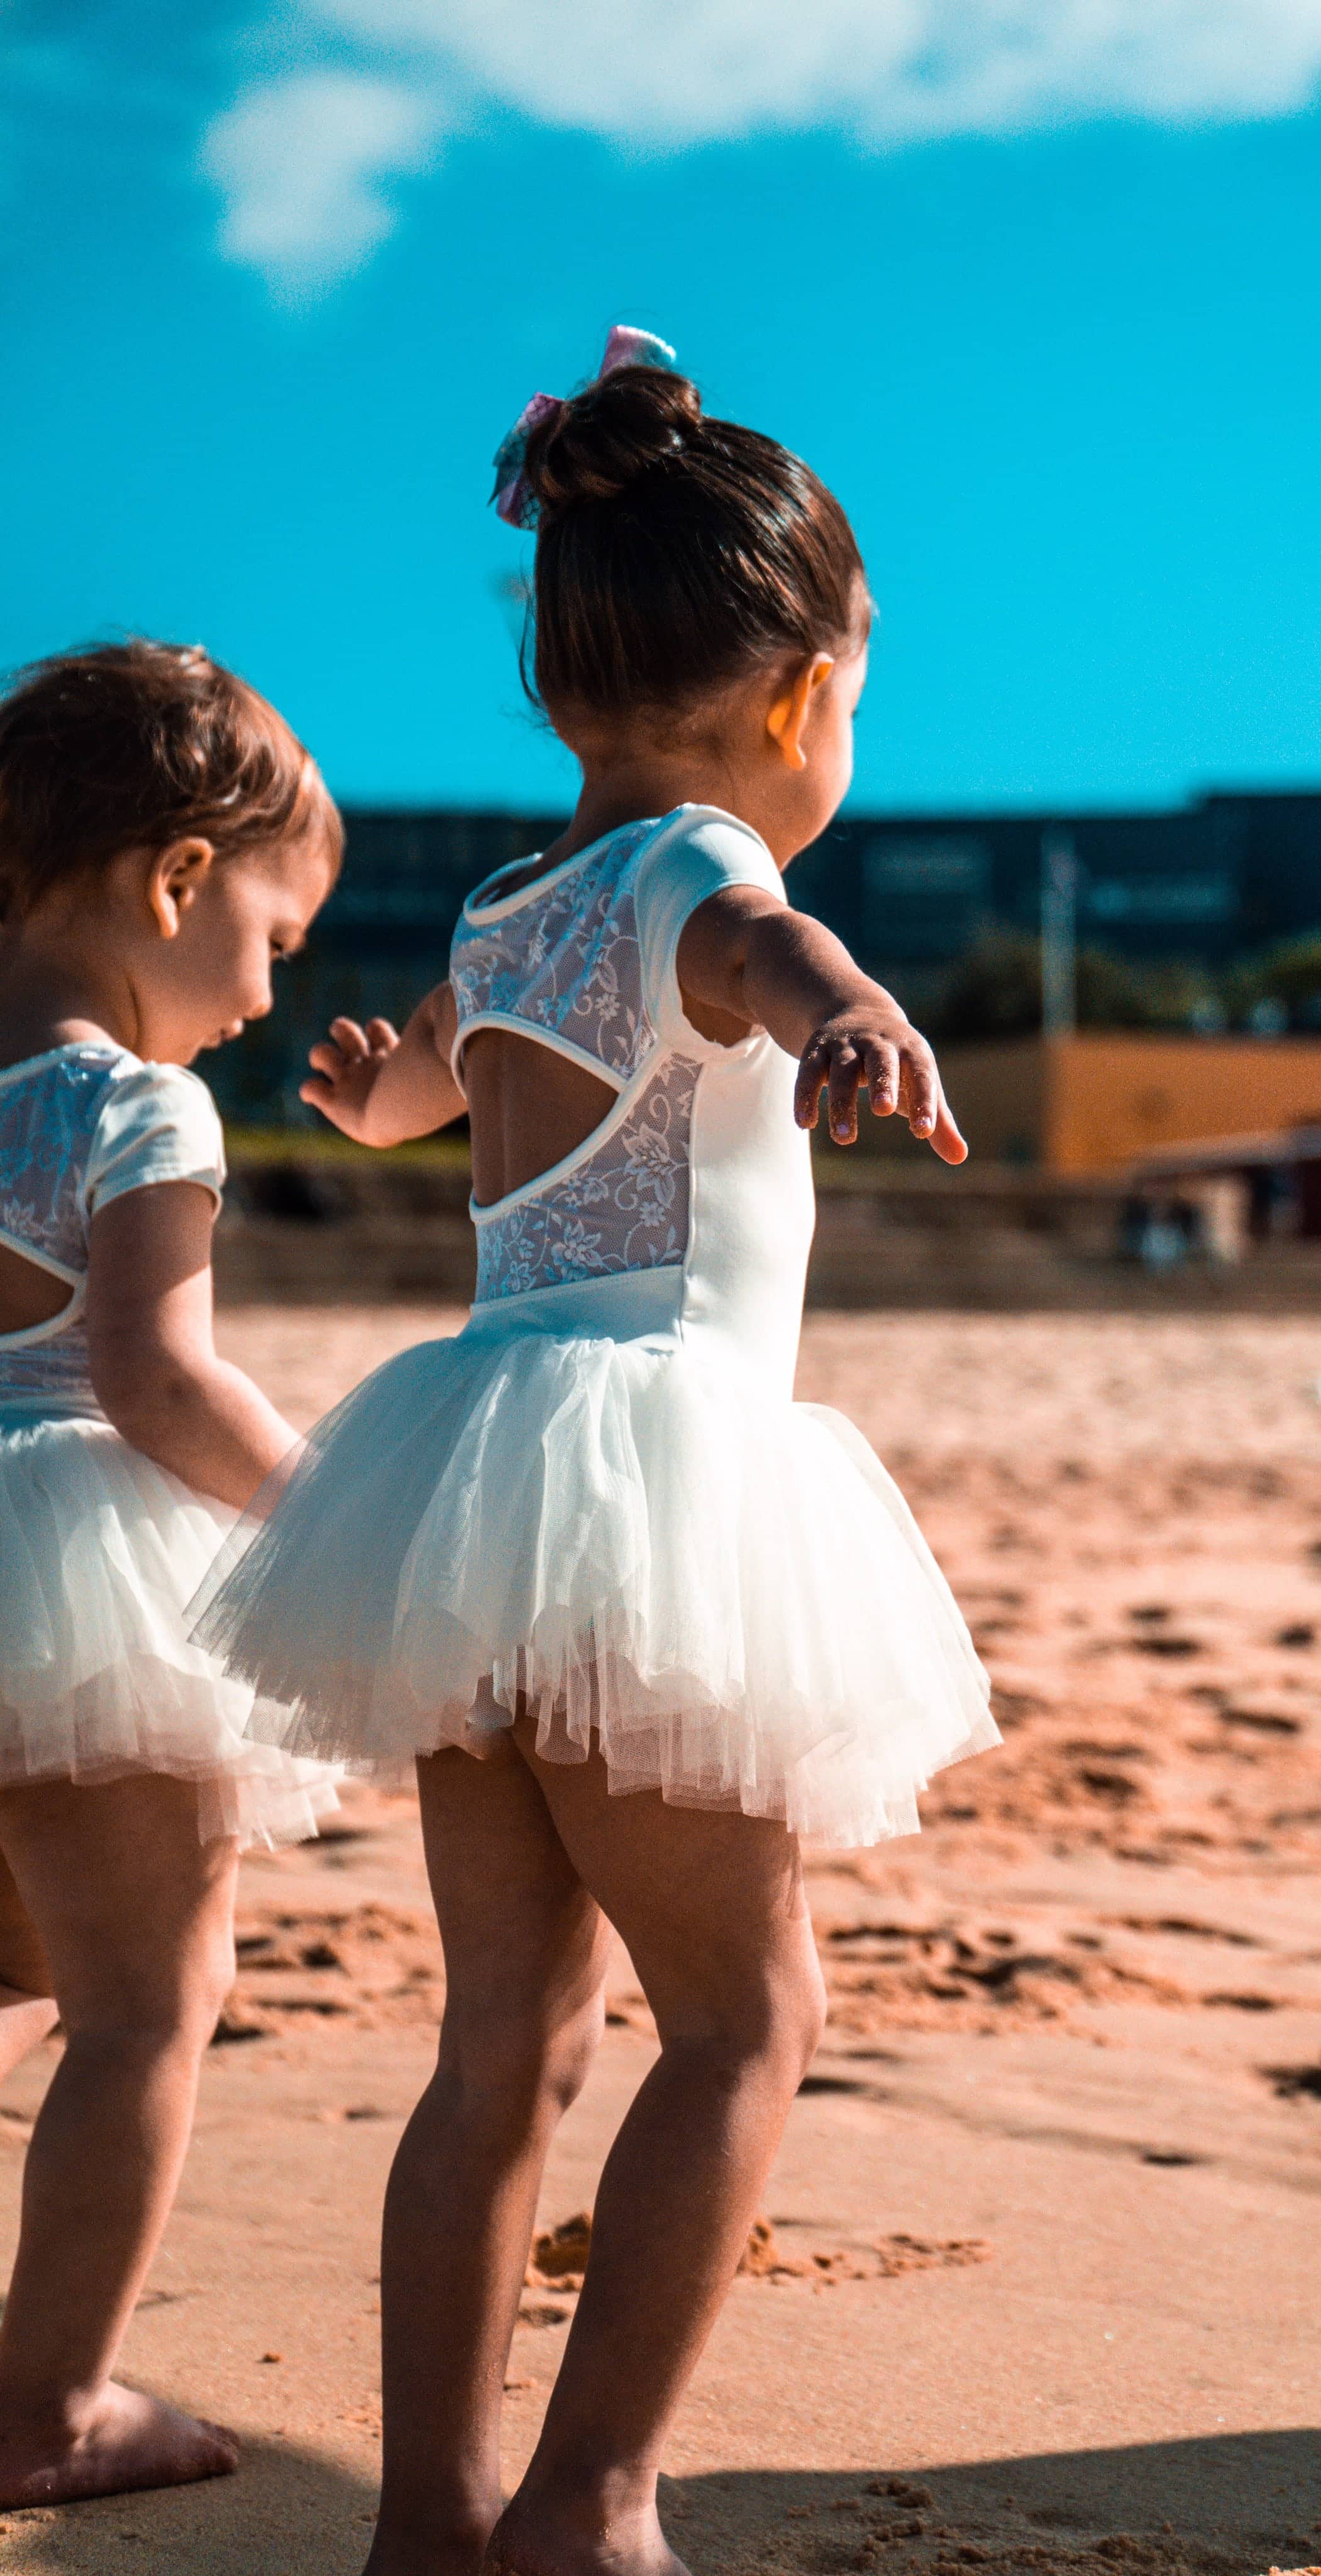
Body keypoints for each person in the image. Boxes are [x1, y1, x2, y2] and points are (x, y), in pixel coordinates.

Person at [197, 327, 998, 2576]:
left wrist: (373, 1100)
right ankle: (592, 2509)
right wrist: (847, 1009)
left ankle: (432, 2522)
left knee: (502, 2045)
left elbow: (450, 1079)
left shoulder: (496, 918)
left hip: (468, 1503)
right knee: (746, 2020)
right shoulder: (693, 873)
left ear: (558, 681)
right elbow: (762, 941)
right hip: (656, 1493)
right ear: (805, 692)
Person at [0, 641, 345, 2508]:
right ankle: (43, 2406)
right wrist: (327, 1520)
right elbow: (154, 1378)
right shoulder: (133, 1107)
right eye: (275, 938)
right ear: (180, 879)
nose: (265, 991)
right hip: (71, 1583)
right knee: (140, 2002)